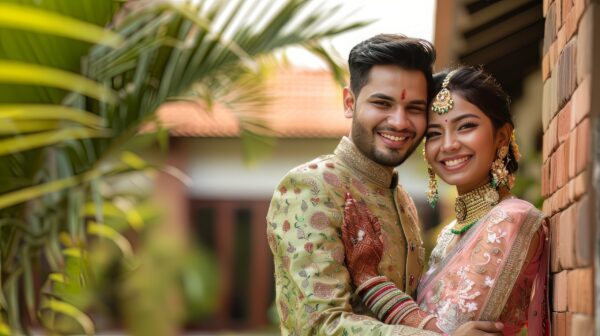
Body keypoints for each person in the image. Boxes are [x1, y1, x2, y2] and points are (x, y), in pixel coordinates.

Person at [266, 34, 504, 335]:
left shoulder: (401, 199)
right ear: (350, 103)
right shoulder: (310, 186)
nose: (400, 121)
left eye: (415, 108)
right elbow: (320, 325)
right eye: (382, 103)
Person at [341, 66, 549, 335]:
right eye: (435, 133)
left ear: (501, 135)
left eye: (466, 126)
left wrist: (369, 279)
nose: (448, 144)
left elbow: (452, 327)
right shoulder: (450, 232)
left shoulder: (512, 217)